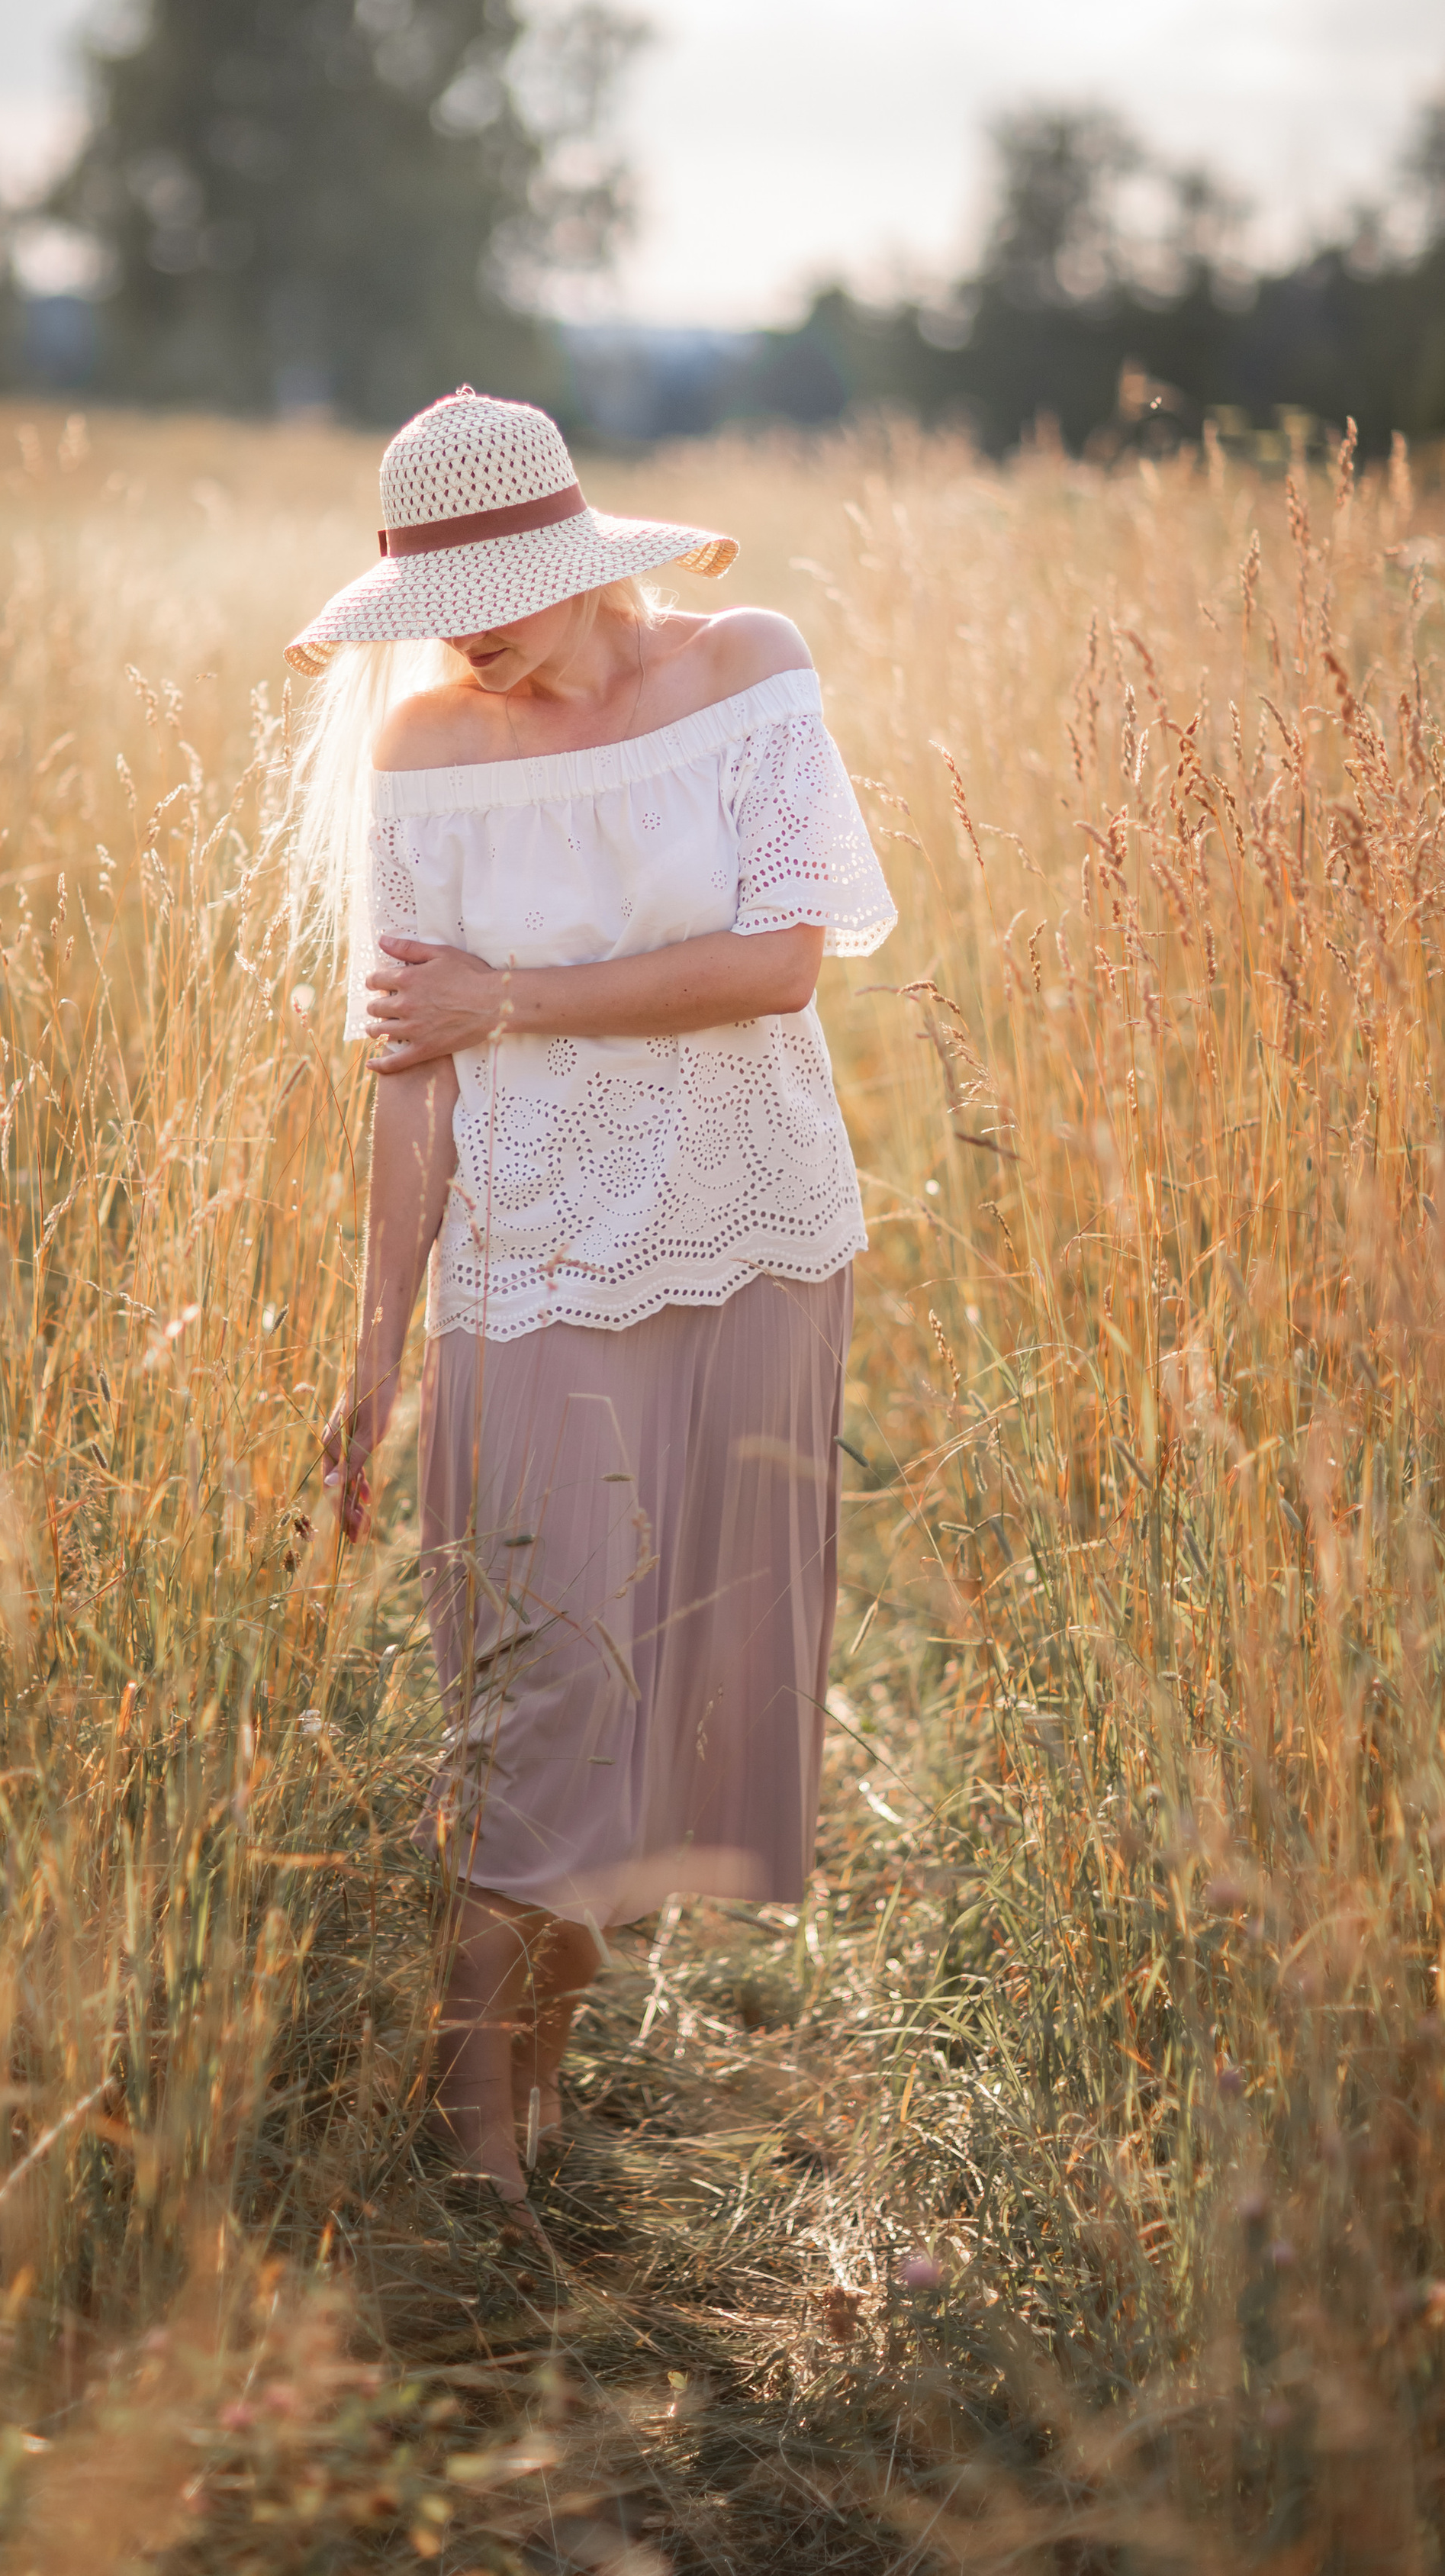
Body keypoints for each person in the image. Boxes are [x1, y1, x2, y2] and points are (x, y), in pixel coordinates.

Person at [288, 388, 896, 2223]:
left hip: (753, 1237)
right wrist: (376, 1349)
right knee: (541, 1691)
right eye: (434, 604)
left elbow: (779, 963)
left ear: (572, 558)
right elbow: (409, 1068)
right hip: (531, 1261)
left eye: (489, 595)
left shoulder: (744, 668)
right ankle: (476, 2134)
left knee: (674, 1697)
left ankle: (542, 2054)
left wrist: (509, 1001)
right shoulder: (424, 747)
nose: (461, 635)